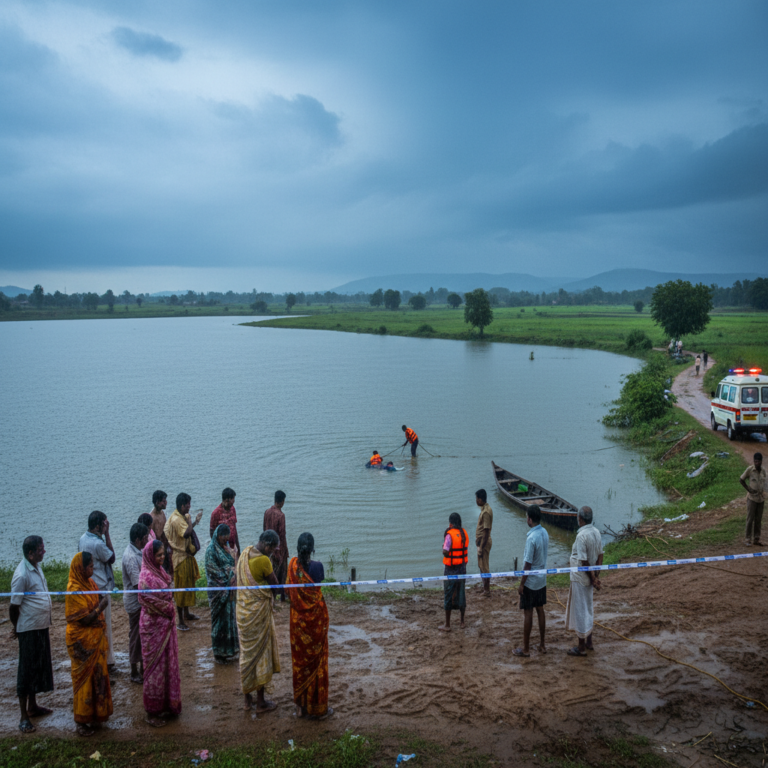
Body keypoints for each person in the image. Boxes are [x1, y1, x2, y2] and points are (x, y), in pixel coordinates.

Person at [10, 535, 54, 734]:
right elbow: (14, 606)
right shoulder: (21, 575)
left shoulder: (35, 566)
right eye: (40, 549)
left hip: (40, 626)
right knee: (26, 671)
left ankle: (33, 706)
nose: (43, 551)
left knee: (38, 666)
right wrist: (16, 626)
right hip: (28, 629)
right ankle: (23, 717)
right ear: (30, 553)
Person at [65, 552, 112, 736]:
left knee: (98, 676)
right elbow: (84, 620)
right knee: (84, 680)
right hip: (82, 642)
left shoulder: (90, 583)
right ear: (80, 568)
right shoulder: (74, 589)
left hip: (95, 639)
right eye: (90, 566)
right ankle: (81, 721)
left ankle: (96, 715)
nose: (93, 569)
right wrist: (101, 607)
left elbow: (101, 596)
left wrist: (101, 603)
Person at [287, 533, 332, 720]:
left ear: (297, 548)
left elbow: (289, 594)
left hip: (298, 624)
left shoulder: (292, 566)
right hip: (315, 623)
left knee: (300, 664)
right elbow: (316, 590)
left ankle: (299, 707)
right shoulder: (318, 567)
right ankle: (317, 707)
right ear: (312, 549)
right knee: (317, 663)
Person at [236, 530, 281, 713]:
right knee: (261, 653)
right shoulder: (263, 560)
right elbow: (276, 586)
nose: (273, 552)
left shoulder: (245, 553)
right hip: (258, 614)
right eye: (273, 549)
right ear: (268, 546)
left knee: (246, 655)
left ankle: (247, 700)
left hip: (243, 613)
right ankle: (261, 702)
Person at [138, 539, 182, 727]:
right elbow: (147, 600)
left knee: (167, 665)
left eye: (163, 554)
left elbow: (168, 591)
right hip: (153, 628)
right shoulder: (145, 577)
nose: (162, 558)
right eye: (158, 555)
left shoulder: (160, 572)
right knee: (154, 669)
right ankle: (152, 712)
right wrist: (170, 609)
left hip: (166, 627)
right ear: (150, 556)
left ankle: (168, 705)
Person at [79, 511, 116, 669]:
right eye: (104, 524)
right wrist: (107, 534)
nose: (105, 526)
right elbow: (112, 557)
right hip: (101, 588)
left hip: (89, 586)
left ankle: (98, 658)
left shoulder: (83, 538)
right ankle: (107, 661)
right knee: (104, 624)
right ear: (98, 525)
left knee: (95, 625)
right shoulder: (98, 543)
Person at [565, 506, 604, 656]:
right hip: (588, 577)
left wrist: (594, 578)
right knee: (588, 607)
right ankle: (589, 641)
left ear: (580, 519)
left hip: (581, 578)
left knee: (581, 610)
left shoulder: (581, 536)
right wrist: (596, 577)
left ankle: (581, 647)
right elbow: (600, 556)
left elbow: (583, 562)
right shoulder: (596, 532)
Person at [164, 493, 203, 631]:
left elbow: (187, 529)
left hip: (186, 556)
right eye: (188, 504)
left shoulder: (182, 517)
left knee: (188, 585)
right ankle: (180, 621)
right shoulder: (176, 519)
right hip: (180, 558)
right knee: (181, 589)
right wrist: (194, 521)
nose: (189, 507)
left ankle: (186, 613)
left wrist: (194, 521)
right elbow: (186, 533)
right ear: (182, 505)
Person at [514, 505, 549, 657]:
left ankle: (526, 649)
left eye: (526, 516)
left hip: (531, 582)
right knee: (540, 610)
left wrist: (522, 584)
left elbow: (527, 564)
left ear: (530, 519)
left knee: (528, 613)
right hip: (541, 579)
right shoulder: (544, 533)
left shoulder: (531, 538)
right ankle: (542, 644)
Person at [205, 523, 240, 664]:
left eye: (227, 537)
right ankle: (219, 652)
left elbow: (234, 564)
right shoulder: (211, 551)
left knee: (229, 619)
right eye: (222, 537)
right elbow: (213, 571)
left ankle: (230, 650)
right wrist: (230, 572)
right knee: (219, 621)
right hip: (217, 592)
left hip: (229, 591)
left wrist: (234, 558)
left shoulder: (227, 549)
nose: (224, 540)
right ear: (217, 536)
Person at [122, 522, 150, 684]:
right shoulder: (131, 557)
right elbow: (137, 583)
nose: (148, 539)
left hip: (141, 601)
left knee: (141, 634)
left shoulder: (137, 551)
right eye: (146, 537)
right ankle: (134, 671)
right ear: (139, 540)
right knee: (136, 636)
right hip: (135, 603)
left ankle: (142, 667)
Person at [439, 512, 468, 632]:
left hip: (450, 569)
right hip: (462, 568)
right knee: (461, 593)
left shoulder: (449, 535)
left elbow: (445, 551)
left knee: (448, 594)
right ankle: (462, 622)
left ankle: (447, 625)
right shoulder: (464, 533)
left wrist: (443, 548)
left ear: (450, 523)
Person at [263, 491, 289, 603]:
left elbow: (264, 530)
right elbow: (282, 535)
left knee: (270, 575)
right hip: (279, 550)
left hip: (268, 549)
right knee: (282, 574)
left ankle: (271, 598)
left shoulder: (267, 512)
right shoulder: (281, 515)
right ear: (282, 501)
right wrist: (283, 552)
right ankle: (282, 597)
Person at [740, 452, 765, 546]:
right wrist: (748, 489)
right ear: (754, 461)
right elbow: (741, 480)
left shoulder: (763, 471)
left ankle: (756, 539)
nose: (757, 463)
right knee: (750, 519)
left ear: (761, 462)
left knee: (758, 520)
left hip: (761, 499)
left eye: (758, 461)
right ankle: (747, 539)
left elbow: (766, 483)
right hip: (752, 499)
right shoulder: (750, 470)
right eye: (755, 461)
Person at [209, 487, 240, 553]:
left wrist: (238, 546)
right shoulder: (216, 513)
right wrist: (218, 549)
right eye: (232, 500)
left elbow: (234, 528)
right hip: (222, 549)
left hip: (233, 547)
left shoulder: (233, 509)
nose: (233, 502)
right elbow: (212, 532)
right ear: (226, 500)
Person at [475, 489, 493, 597]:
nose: (476, 501)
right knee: (481, 566)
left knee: (485, 566)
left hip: (484, 543)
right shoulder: (484, 509)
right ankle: (484, 588)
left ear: (480, 499)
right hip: (481, 542)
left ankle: (487, 590)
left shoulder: (486, 512)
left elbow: (486, 532)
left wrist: (481, 547)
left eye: (477, 498)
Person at [150, 490, 173, 574]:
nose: (166, 503)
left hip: (164, 547)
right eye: (163, 501)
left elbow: (164, 531)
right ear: (157, 502)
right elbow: (152, 538)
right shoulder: (152, 517)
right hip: (157, 550)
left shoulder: (162, 513)